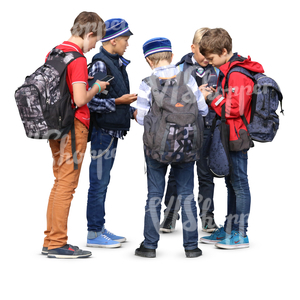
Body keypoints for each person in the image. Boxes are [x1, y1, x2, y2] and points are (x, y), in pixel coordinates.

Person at [42, 11, 109, 258]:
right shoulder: (78, 59)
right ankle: (59, 243)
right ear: (89, 34)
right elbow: (80, 99)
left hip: (54, 126)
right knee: (67, 185)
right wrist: (97, 87)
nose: (93, 48)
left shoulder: (55, 51)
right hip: (73, 126)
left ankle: (50, 240)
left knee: (59, 182)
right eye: (95, 41)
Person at [135, 37, 208, 258]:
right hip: (187, 146)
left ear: (149, 60)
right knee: (187, 194)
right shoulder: (189, 80)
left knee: (154, 195)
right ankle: (192, 247)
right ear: (172, 57)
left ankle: (149, 246)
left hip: (156, 148)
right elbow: (202, 111)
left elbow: (140, 119)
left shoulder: (147, 83)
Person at [199, 28, 264, 249]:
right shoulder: (227, 71)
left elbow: (234, 109)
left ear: (224, 51)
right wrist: (216, 92)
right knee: (231, 183)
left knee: (239, 184)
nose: (209, 63)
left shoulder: (237, 73)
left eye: (211, 58)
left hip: (237, 136)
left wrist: (211, 98)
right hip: (228, 134)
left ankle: (240, 234)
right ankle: (229, 228)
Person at [160, 28, 220, 234]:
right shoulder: (178, 69)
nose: (206, 56)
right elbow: (170, 99)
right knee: (177, 173)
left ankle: (207, 215)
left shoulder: (218, 69)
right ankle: (170, 212)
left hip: (208, 129)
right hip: (182, 131)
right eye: (202, 51)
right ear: (193, 48)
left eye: (210, 51)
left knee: (206, 174)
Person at [86, 18, 137, 249]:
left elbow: (116, 97)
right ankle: (94, 233)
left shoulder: (116, 62)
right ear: (113, 40)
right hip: (102, 133)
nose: (127, 44)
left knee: (103, 182)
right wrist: (119, 102)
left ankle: (99, 227)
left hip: (113, 131)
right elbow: (90, 102)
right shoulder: (100, 64)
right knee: (98, 183)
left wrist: (133, 110)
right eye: (125, 39)